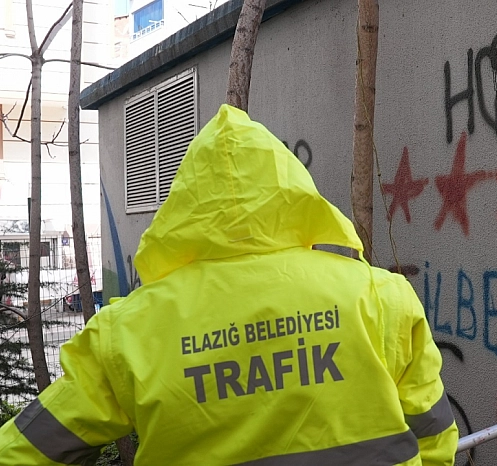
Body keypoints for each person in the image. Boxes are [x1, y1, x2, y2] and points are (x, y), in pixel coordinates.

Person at [0, 105, 458, 465]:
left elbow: (28, 448)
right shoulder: (381, 298)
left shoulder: (127, 331)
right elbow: (434, 434)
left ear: (186, 203)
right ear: (294, 189)